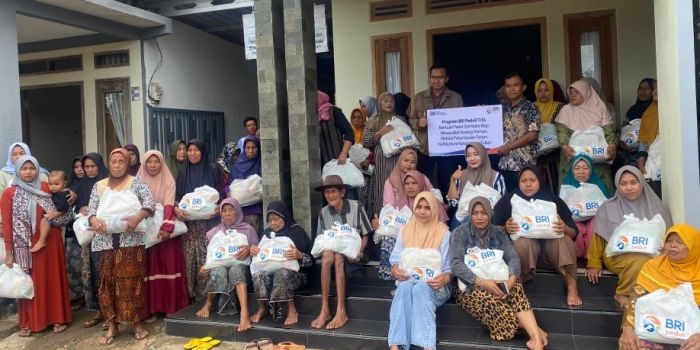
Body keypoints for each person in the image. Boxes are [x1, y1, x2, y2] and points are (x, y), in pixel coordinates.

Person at [451, 197, 547, 349]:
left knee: (516, 287)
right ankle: (534, 329)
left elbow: (513, 257)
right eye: (475, 213)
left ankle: (535, 339)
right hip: (470, 286)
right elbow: (455, 264)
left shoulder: (498, 232)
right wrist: (482, 282)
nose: (479, 217)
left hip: (498, 280)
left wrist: (511, 279)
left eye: (483, 213)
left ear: (490, 213)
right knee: (502, 318)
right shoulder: (460, 233)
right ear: (470, 214)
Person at [87, 148, 155, 344]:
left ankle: (137, 324)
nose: (116, 165)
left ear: (127, 164)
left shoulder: (136, 182)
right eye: (113, 161)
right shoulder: (99, 186)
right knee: (107, 282)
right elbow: (91, 210)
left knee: (132, 282)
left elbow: (149, 202)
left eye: (121, 162)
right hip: (105, 241)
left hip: (131, 241)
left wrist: (138, 216)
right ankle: (112, 325)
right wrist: (93, 220)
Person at [1, 155, 72, 337]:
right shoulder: (10, 193)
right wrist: (9, 252)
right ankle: (29, 322)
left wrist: (73, 194)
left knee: (52, 280)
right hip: (25, 246)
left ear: (37, 169)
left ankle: (58, 318)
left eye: (31, 168)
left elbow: (66, 210)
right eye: (24, 168)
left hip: (50, 242)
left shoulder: (48, 187)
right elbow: (7, 225)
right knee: (29, 284)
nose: (28, 172)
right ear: (17, 170)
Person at [491, 166, 581, 306]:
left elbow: (574, 232)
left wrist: (565, 228)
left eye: (532, 180)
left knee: (563, 240)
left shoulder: (552, 200)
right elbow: (492, 230)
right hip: (525, 257)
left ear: (540, 181)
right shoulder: (509, 200)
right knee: (523, 242)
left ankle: (572, 285)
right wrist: (505, 228)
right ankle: (518, 286)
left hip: (553, 257)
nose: (528, 184)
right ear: (518, 182)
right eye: (524, 181)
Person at [586, 166, 672, 308]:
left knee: (647, 261)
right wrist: (594, 263)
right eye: (623, 183)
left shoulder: (658, 208)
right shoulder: (607, 208)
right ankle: (623, 293)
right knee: (641, 261)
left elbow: (667, 235)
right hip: (616, 255)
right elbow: (598, 237)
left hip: (653, 254)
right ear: (617, 186)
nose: (629, 187)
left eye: (633, 182)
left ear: (642, 183)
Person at [618, 224, 700, 350]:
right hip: (654, 330)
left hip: (689, 336)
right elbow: (635, 300)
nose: (672, 245)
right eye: (669, 241)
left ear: (694, 247)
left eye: (679, 242)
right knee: (632, 344)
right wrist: (628, 328)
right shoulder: (653, 266)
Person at [387, 191, 452, 350]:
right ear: (414, 208)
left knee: (421, 288)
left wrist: (444, 278)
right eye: (419, 207)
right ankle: (396, 344)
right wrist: (395, 269)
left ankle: (427, 345)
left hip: (437, 286)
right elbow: (395, 258)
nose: (422, 211)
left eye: (427, 208)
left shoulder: (443, 232)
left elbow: (449, 268)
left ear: (435, 210)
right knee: (403, 288)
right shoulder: (405, 229)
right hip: (409, 281)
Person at [312, 175, 372, 330]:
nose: (330, 195)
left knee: (338, 256)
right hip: (332, 253)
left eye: (333, 191)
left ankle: (341, 311)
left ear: (342, 192)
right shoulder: (323, 213)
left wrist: (359, 251)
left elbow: (365, 234)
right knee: (327, 256)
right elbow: (322, 238)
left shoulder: (356, 206)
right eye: (327, 192)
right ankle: (324, 309)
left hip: (355, 253)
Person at [137, 150, 189, 320]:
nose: (152, 165)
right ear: (144, 163)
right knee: (149, 268)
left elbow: (168, 203)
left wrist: (166, 226)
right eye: (149, 162)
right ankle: (152, 309)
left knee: (168, 265)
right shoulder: (138, 180)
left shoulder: (168, 179)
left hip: (166, 231)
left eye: (156, 161)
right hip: (146, 229)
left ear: (162, 163)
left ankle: (171, 306)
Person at [196, 198, 258, 332]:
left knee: (235, 269)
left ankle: (244, 313)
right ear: (220, 214)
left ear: (238, 212)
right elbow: (211, 255)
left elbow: (259, 252)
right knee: (218, 270)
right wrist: (205, 266)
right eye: (224, 211)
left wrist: (249, 249)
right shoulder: (215, 232)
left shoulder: (248, 230)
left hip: (243, 268)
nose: (227, 213)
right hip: (221, 267)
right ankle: (208, 304)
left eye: (231, 210)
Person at [250, 201, 312, 326]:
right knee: (259, 274)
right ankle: (262, 309)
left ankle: (292, 310)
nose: (273, 223)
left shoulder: (296, 232)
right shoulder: (266, 234)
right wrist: (255, 251)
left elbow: (311, 261)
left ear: (284, 217)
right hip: (270, 272)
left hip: (296, 275)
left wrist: (300, 255)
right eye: (270, 220)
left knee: (281, 272)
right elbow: (261, 255)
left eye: (276, 219)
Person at [378, 169, 447, 281]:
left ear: (421, 183)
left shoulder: (433, 202)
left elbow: (441, 230)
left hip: (431, 245)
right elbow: (392, 221)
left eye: (414, 183)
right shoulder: (400, 203)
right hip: (407, 240)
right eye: (407, 183)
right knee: (388, 239)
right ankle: (393, 277)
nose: (410, 187)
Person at [175, 139, 223, 298]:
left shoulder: (213, 170)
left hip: (208, 224)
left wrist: (219, 209)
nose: (192, 153)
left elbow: (221, 194)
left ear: (202, 152)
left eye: (196, 150)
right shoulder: (183, 172)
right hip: (189, 226)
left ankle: (209, 296)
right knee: (189, 260)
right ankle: (191, 295)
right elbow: (177, 197)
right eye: (190, 150)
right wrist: (177, 209)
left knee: (206, 256)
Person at [409, 63, 465, 195]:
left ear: (446, 79)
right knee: (426, 184)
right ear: (430, 78)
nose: (436, 80)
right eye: (433, 77)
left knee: (448, 183)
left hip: (447, 150)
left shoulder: (456, 98)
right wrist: (419, 123)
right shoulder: (419, 98)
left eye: (440, 77)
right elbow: (411, 120)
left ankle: (448, 213)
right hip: (425, 149)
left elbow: (463, 121)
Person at [557, 79, 617, 192]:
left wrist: (612, 145)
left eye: (577, 92)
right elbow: (561, 131)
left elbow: (609, 130)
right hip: (572, 157)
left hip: (598, 160)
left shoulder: (600, 108)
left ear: (586, 92)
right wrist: (564, 146)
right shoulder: (566, 110)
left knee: (600, 189)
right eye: (571, 92)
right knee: (573, 190)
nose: (572, 95)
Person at [76, 153, 109, 328]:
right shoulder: (82, 186)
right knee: (95, 274)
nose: (89, 170)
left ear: (99, 166)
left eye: (93, 166)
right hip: (90, 237)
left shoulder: (107, 183)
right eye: (86, 167)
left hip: (107, 235)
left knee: (108, 272)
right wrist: (81, 209)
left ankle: (112, 311)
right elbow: (78, 206)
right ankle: (100, 311)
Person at [362, 92, 407, 217]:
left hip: (398, 160)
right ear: (380, 103)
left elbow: (409, 138)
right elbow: (366, 141)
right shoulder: (373, 121)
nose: (389, 103)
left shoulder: (401, 120)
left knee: (398, 188)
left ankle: (399, 220)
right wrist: (381, 131)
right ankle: (380, 221)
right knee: (381, 189)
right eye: (385, 101)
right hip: (381, 161)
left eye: (391, 101)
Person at [561, 154, 612, 260]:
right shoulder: (567, 186)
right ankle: (577, 258)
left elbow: (607, 209)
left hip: (594, 219)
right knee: (575, 226)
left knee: (595, 223)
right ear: (572, 170)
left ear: (591, 170)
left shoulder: (599, 186)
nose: (581, 172)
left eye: (585, 168)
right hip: (574, 221)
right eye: (577, 168)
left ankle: (594, 257)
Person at [496, 73, 541, 192]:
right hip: (504, 163)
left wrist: (509, 147)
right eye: (508, 86)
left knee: (523, 201)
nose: (511, 89)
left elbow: (532, 134)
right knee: (507, 200)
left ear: (524, 87)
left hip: (523, 164)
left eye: (515, 85)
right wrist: (483, 112)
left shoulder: (531, 107)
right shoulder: (501, 109)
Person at [446, 142, 506, 228]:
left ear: (483, 155)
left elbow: (501, 206)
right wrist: (452, 180)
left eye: (476, 154)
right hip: (463, 220)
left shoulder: (496, 176)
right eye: (468, 155)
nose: (472, 158)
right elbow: (453, 204)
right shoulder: (461, 175)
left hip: (489, 221)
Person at [533, 78, 567, 193]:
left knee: (554, 186)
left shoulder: (560, 107)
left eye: (546, 90)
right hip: (535, 156)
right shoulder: (531, 108)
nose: (543, 93)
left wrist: (551, 144)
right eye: (540, 90)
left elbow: (564, 129)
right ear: (535, 92)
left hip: (554, 156)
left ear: (552, 91)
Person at [617, 78, 655, 169]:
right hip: (630, 148)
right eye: (640, 88)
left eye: (647, 88)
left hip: (649, 150)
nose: (643, 91)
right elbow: (624, 128)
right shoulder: (632, 110)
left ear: (654, 91)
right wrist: (620, 141)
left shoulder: (656, 110)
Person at [228, 136, 263, 234]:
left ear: (258, 148)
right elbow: (228, 183)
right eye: (248, 148)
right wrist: (228, 192)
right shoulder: (238, 163)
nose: (251, 150)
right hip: (240, 210)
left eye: (254, 147)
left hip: (257, 209)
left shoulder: (262, 162)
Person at [32, 170, 71, 252]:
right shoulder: (58, 192)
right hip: (60, 215)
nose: (53, 187)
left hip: (63, 216)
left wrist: (52, 215)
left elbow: (63, 210)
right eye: (50, 184)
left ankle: (42, 241)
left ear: (64, 184)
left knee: (45, 221)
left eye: (56, 184)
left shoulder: (63, 194)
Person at [65, 156, 85, 310]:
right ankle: (77, 298)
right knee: (73, 266)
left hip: (88, 231)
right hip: (72, 232)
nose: (79, 169)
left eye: (82, 166)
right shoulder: (69, 188)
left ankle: (89, 296)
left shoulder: (94, 184)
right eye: (76, 167)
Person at [637, 80, 662, 197]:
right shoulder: (650, 112)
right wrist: (641, 158)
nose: (654, 92)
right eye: (654, 89)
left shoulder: (676, 108)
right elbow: (644, 139)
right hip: (654, 156)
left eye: (658, 88)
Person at [318, 91, 354, 166]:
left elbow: (349, 133)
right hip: (319, 165)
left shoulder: (333, 112)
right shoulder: (312, 116)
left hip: (338, 161)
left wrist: (343, 154)